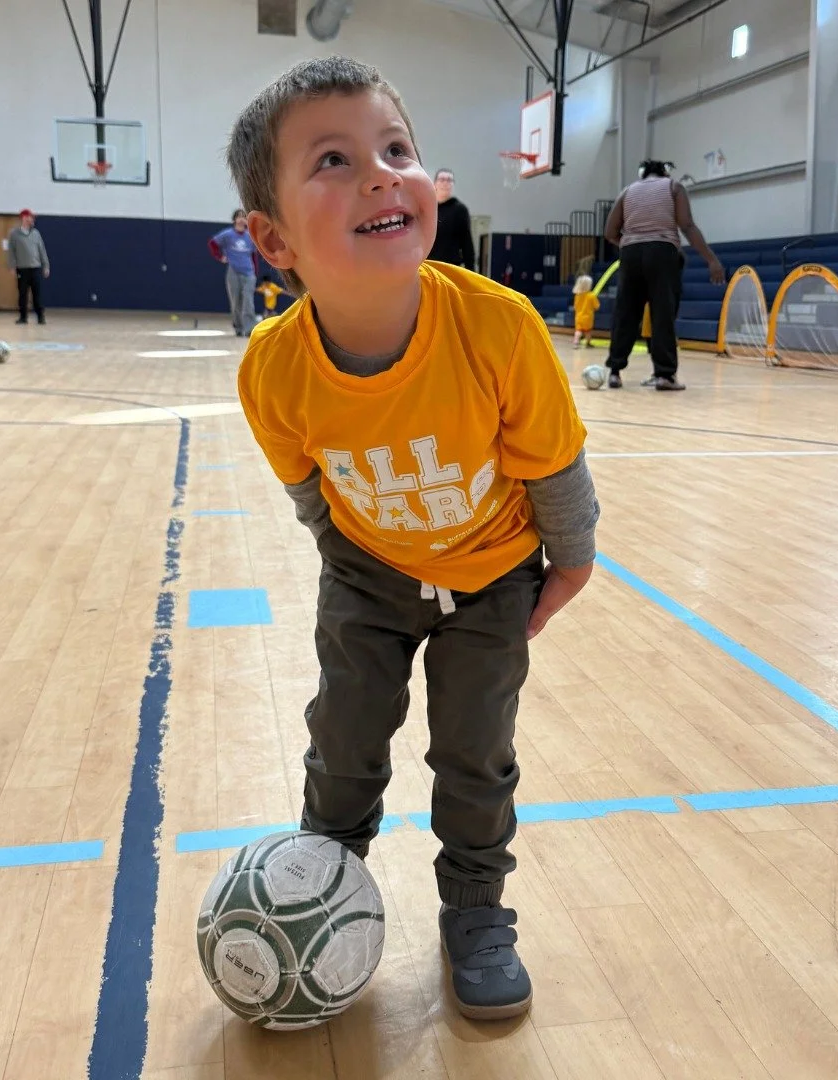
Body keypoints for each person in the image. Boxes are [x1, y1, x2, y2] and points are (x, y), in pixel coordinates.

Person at [229, 56, 599, 1021]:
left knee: (476, 755)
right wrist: (352, 568)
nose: (382, 175)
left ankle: (475, 909)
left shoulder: (498, 327)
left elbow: (554, 466)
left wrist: (571, 560)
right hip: (368, 573)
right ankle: (321, 884)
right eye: (336, 160)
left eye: (396, 149)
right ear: (271, 239)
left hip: (495, 575)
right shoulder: (272, 369)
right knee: (343, 738)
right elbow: (308, 487)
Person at [602, 160, 724, 390]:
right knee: (662, 314)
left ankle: (615, 371)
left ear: (642, 174)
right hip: (662, 252)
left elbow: (609, 232)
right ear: (665, 172)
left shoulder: (628, 191)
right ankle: (665, 376)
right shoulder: (673, 187)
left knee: (626, 313)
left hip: (630, 253)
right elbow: (686, 225)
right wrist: (711, 260)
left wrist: (630, 244)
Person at [208, 210, 259, 336]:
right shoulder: (227, 235)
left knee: (248, 300)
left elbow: (253, 255)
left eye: (244, 217)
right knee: (236, 301)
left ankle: (249, 328)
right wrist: (220, 257)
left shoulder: (250, 237)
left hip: (248, 272)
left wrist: (255, 272)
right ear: (235, 220)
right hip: (233, 272)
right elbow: (212, 244)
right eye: (239, 217)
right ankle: (238, 326)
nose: (242, 220)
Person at [6, 209, 50, 325]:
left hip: (35, 268)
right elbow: (11, 251)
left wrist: (46, 265)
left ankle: (40, 316)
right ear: (24, 218)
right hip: (22, 269)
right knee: (22, 294)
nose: (32, 220)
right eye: (31, 217)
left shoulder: (36, 233)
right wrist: (12, 266)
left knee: (37, 294)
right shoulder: (14, 234)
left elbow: (42, 250)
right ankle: (23, 317)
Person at [427, 168, 475, 270]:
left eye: (449, 180)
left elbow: (467, 243)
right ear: (435, 183)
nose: (445, 183)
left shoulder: (460, 209)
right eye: (442, 179)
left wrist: (471, 272)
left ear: (453, 185)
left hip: (451, 267)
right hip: (428, 265)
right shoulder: (427, 207)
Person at [571, 274, 599, 347]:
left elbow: (575, 306)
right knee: (588, 331)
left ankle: (576, 342)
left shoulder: (577, 295)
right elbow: (597, 306)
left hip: (578, 317)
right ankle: (588, 343)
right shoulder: (591, 296)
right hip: (588, 317)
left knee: (578, 331)